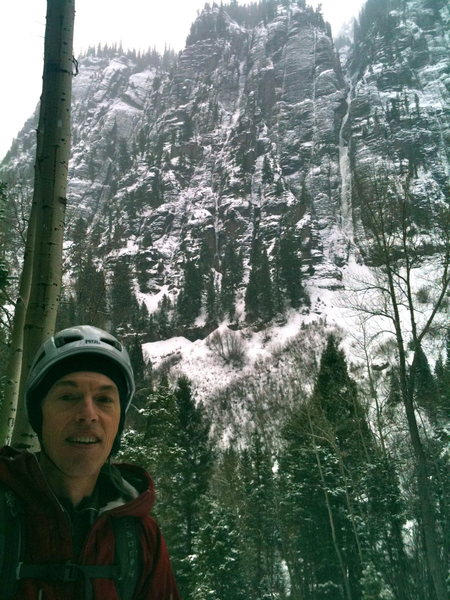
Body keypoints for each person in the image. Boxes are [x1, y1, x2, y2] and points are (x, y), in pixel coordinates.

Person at [0, 325, 181, 600]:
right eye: (68, 397)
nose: (88, 414)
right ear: (40, 414)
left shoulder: (140, 538)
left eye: (104, 399)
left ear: (119, 421)